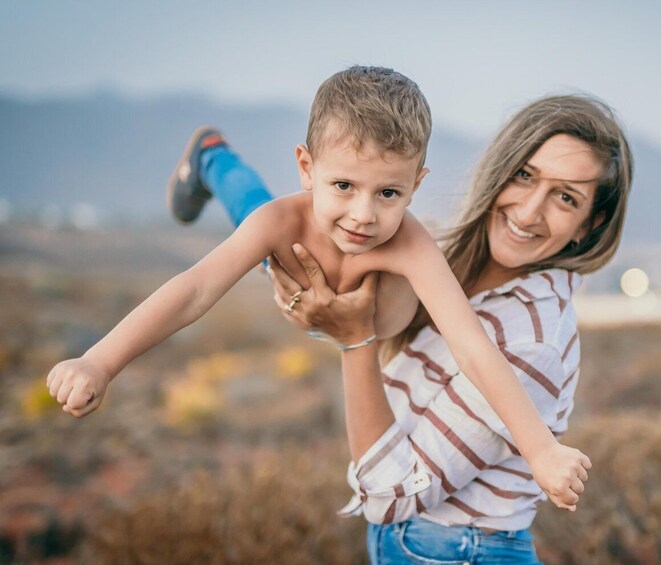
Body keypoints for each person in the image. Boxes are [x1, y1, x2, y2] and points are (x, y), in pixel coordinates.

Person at [45, 66, 590, 511]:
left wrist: (541, 449)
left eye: (389, 193)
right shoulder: (287, 221)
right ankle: (211, 157)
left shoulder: (409, 244)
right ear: (306, 167)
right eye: (344, 185)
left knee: (259, 215)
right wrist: (100, 362)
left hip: (362, 318)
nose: (363, 215)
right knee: (255, 213)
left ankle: (213, 156)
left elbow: (473, 346)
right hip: (296, 262)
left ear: (416, 185)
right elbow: (193, 290)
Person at [207, 94, 633, 563]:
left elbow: (393, 498)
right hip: (431, 549)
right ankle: (213, 160)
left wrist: (354, 341)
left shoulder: (532, 341)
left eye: (566, 197)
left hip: (458, 552)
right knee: (281, 237)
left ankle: (213, 162)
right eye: (525, 175)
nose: (530, 212)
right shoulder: (446, 253)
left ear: (587, 227)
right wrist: (306, 294)